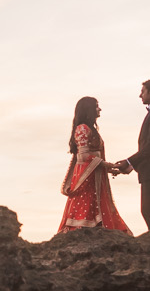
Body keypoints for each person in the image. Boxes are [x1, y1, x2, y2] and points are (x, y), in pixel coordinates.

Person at [55, 96, 131, 236]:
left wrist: (109, 168)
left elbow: (93, 157)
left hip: (94, 175)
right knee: (86, 208)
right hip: (86, 179)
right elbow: (83, 156)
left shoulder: (91, 129)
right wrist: (106, 164)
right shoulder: (82, 129)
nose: (99, 108)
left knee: (96, 207)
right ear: (88, 109)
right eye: (97, 106)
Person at [112, 79, 150, 229]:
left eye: (142, 91)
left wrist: (129, 162)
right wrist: (132, 165)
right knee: (149, 210)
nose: (140, 95)